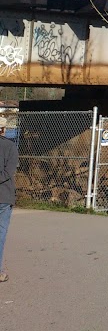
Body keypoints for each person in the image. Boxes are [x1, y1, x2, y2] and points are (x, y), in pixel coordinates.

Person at [0, 115, 16, 283]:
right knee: (1, 233)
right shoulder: (10, 146)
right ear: (3, 129)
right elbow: (8, 172)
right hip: (3, 195)